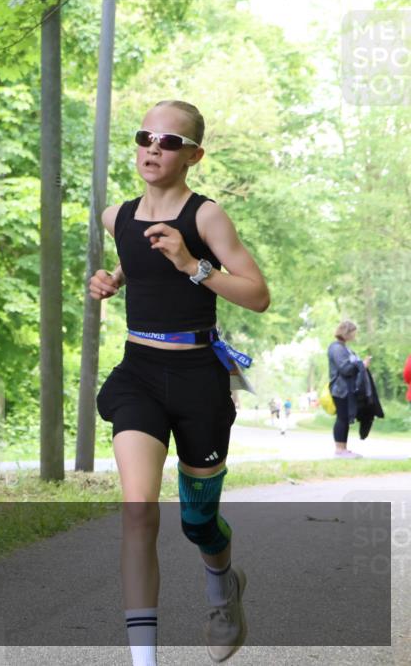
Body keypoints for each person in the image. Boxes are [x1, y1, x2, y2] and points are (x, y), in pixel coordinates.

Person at [89, 100, 270, 665]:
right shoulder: (116, 216)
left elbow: (258, 295)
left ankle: (222, 584)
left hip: (198, 380)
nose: (152, 148)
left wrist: (193, 265)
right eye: (146, 137)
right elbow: (132, 262)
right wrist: (109, 279)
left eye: (169, 142)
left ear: (193, 154)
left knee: (197, 522)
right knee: (138, 508)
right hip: (138, 374)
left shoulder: (206, 216)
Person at [327, 321, 371, 458]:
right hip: (340, 389)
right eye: (353, 332)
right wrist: (361, 364)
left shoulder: (344, 348)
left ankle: (343, 449)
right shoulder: (336, 348)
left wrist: (361, 366)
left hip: (347, 389)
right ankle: (339, 449)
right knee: (342, 418)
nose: (355, 335)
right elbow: (345, 369)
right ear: (347, 332)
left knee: (345, 418)